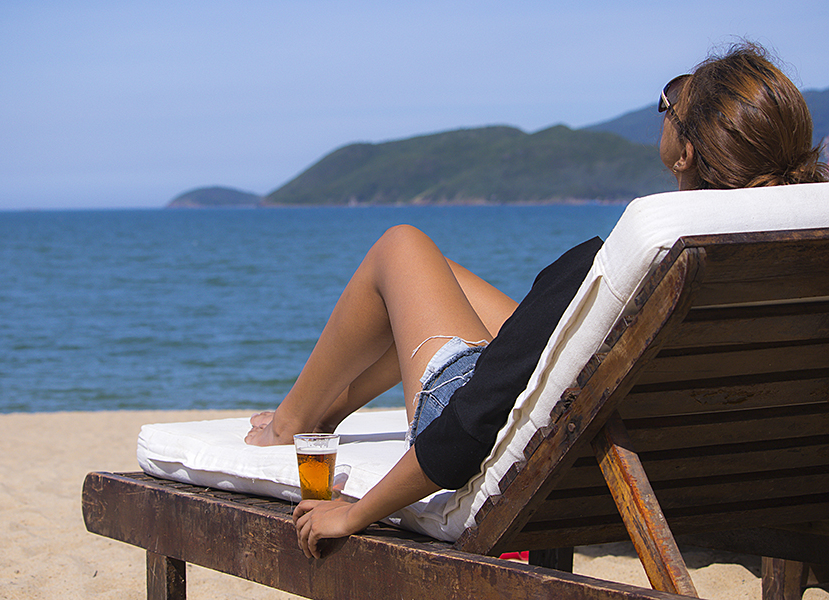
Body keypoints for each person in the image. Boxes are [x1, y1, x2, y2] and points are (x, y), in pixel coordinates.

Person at [246, 42, 828, 559]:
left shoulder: (644, 253)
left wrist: (353, 511)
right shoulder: (793, 256)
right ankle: (326, 411)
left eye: (670, 106)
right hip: (665, 454)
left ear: (688, 155)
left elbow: (470, 426)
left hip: (541, 445)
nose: (665, 114)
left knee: (402, 248)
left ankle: (293, 421)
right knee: (442, 276)